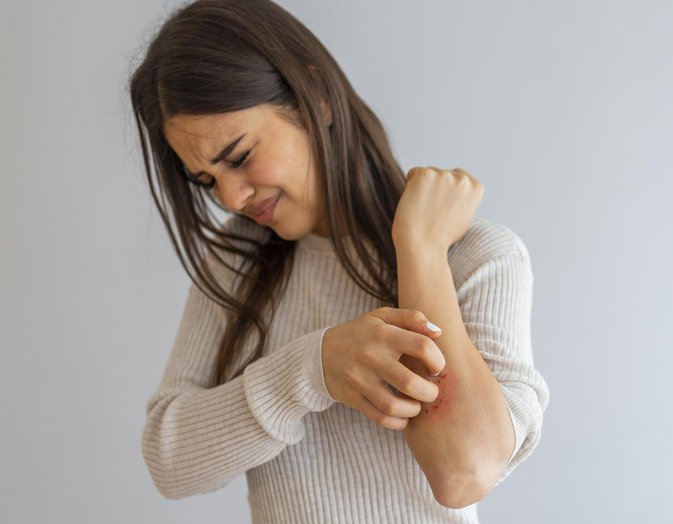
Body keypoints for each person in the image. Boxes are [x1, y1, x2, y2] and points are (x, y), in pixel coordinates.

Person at [129, 1, 549, 522]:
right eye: (207, 179)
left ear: (317, 100)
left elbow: (462, 473)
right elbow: (170, 462)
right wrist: (314, 368)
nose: (232, 198)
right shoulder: (236, 266)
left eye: (238, 157)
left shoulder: (476, 257)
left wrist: (418, 250)